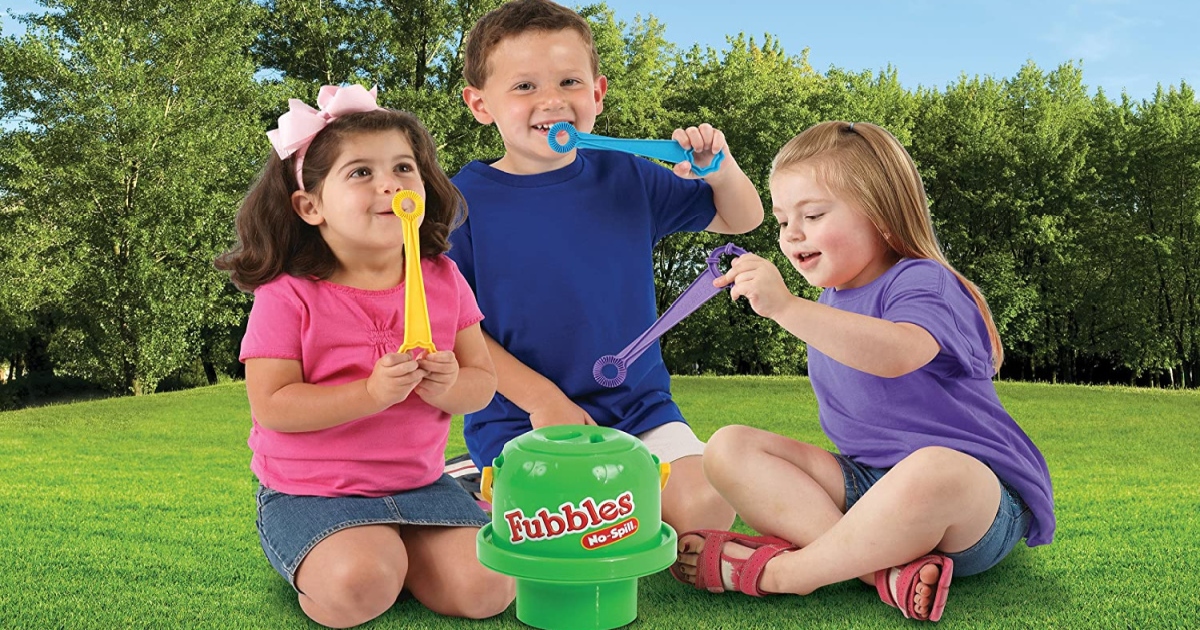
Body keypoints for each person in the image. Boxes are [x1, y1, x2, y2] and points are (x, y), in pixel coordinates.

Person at [670, 121, 1055, 622]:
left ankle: (787, 573)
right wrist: (793, 309)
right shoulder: (831, 300)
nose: (791, 234)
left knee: (935, 469)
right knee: (728, 448)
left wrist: (786, 307)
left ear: (882, 216)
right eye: (783, 220)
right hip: (867, 485)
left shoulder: (922, 280)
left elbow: (898, 353)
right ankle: (882, 573)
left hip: (973, 508)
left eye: (812, 215)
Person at [446, 0, 764, 535]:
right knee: (567, 528)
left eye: (569, 81)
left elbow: (742, 218)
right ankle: (475, 476)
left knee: (707, 508)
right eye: (524, 86)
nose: (552, 100)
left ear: (597, 93)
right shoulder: (459, 205)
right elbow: (456, 329)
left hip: (639, 409)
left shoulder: (628, 177)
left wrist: (721, 168)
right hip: (521, 416)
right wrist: (544, 401)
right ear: (480, 104)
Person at [214, 84, 514, 627]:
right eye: (360, 172)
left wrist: (449, 385)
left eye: (403, 168)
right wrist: (371, 394)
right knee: (359, 586)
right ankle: (363, 554)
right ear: (310, 206)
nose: (390, 184)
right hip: (313, 492)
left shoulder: (443, 278)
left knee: (489, 589)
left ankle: (408, 540)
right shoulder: (288, 294)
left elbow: (481, 385)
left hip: (422, 483)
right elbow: (273, 406)